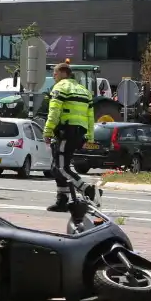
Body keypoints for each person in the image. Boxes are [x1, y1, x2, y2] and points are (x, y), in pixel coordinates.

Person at [43, 62, 97, 216]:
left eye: (55, 73)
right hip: (78, 133)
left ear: (63, 73)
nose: (53, 76)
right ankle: (62, 200)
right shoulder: (84, 91)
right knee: (56, 167)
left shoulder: (60, 88)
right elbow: (90, 117)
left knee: (61, 168)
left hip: (65, 132)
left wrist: (47, 131)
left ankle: (87, 190)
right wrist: (90, 137)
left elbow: (54, 112)